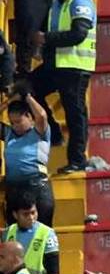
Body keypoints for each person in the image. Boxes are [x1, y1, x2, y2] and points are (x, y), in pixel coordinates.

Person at [30, 0, 93, 173]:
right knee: (28, 88)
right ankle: (54, 133)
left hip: (75, 67)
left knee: (75, 114)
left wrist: (46, 38)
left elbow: (78, 34)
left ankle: (77, 160)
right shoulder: (58, 2)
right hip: (56, 64)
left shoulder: (81, 2)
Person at [0, 93, 54, 225]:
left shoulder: (39, 132)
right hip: (14, 190)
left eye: (19, 121)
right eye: (12, 122)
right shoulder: (9, 134)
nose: (15, 126)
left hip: (37, 188)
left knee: (42, 231)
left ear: (29, 117)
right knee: (14, 233)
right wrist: (9, 102)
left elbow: (41, 115)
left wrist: (27, 96)